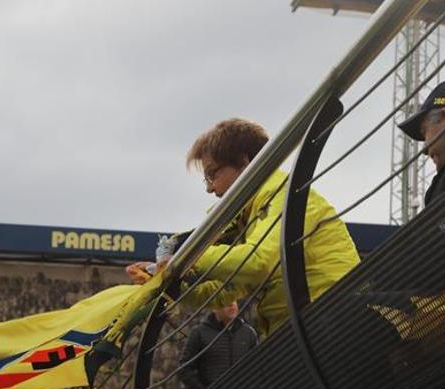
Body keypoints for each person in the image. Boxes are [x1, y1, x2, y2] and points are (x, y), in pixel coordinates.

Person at [129, 118, 361, 336]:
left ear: (245, 161)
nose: (210, 189)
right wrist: (168, 283)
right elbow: (226, 289)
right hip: (311, 324)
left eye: (212, 174)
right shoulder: (257, 210)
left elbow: (259, 261)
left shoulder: (281, 193)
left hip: (331, 321)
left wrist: (188, 257)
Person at [179, 302, 258, 389]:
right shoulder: (199, 333)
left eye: (234, 300)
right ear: (214, 307)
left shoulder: (248, 333)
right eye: (226, 300)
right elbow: (185, 368)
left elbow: (258, 367)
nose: (231, 304)